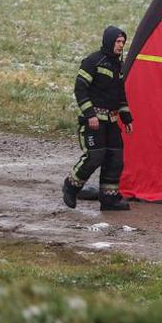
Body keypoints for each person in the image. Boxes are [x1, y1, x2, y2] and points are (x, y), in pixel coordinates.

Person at [61, 26, 133, 212]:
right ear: (109, 41)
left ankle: (109, 200)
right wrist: (90, 114)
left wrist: (126, 117)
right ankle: (71, 185)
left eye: (123, 42)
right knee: (95, 157)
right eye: (118, 42)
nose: (121, 45)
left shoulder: (119, 65)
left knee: (115, 159)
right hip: (94, 122)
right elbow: (80, 88)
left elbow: (120, 93)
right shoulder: (93, 61)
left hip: (111, 122)